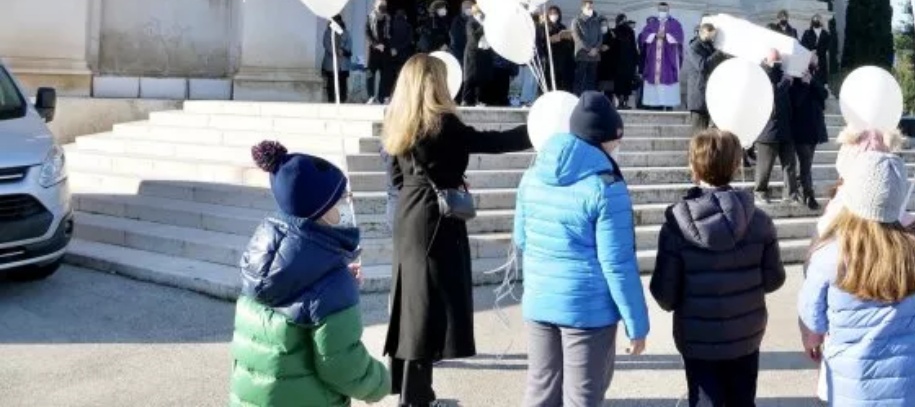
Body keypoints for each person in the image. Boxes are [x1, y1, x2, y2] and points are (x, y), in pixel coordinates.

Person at [381, 55, 532, 406]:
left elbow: (395, 177)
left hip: (408, 212)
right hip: (437, 218)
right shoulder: (442, 123)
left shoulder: (397, 119)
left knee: (409, 300)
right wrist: (535, 129)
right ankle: (415, 397)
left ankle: (411, 388)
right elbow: (492, 142)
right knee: (427, 305)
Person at [798, 131, 915, 406]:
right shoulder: (914, 247)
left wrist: (811, 339)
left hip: (852, 387)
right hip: (911, 386)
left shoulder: (827, 255)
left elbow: (813, 318)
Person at [514, 92, 650, 407]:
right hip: (587, 310)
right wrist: (637, 325)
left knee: (540, 392)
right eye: (616, 140)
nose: (618, 146)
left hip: (539, 300)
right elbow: (617, 264)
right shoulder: (606, 186)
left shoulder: (532, 176)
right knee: (583, 398)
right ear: (604, 140)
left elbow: (521, 240)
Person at [230, 141, 390, 405]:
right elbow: (342, 366)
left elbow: (302, 296)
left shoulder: (260, 253)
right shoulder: (333, 282)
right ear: (321, 211)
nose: (346, 206)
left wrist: (338, 278)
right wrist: (382, 381)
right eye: (341, 200)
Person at [649, 129, 786, 407]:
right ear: (736, 166)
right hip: (745, 334)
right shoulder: (759, 221)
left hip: (698, 338)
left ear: (694, 168)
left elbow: (665, 294)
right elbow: (774, 280)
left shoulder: (676, 226)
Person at [753, 49, 803, 205]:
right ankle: (760, 192)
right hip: (768, 130)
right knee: (765, 165)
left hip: (786, 128)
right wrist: (786, 82)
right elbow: (772, 94)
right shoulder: (760, 75)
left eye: (779, 61)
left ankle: (791, 194)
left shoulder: (782, 74)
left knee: (789, 164)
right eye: (775, 61)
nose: (777, 64)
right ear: (767, 60)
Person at [791, 54, 828, 211]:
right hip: (800, 130)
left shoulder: (816, 78)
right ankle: (809, 195)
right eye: (812, 61)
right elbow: (796, 102)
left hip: (814, 130)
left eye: (816, 61)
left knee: (807, 164)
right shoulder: (796, 78)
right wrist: (806, 85)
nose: (815, 63)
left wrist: (812, 82)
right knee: (806, 163)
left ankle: (801, 184)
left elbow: (824, 95)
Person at [638, 2, 685, 110]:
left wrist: (667, 36)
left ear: (668, 10)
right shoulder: (652, 24)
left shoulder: (675, 23)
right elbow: (643, 36)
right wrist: (654, 35)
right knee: (653, 81)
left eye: (664, 9)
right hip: (653, 59)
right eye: (660, 9)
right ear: (657, 9)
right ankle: (655, 104)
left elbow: (680, 37)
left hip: (668, 59)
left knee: (668, 81)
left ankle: (668, 105)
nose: (662, 12)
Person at [684, 23, 724, 134]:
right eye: (710, 35)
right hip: (698, 96)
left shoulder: (709, 46)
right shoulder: (694, 47)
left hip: (710, 95)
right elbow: (702, 66)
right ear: (703, 32)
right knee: (699, 134)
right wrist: (718, 54)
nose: (712, 38)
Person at [536, 6, 574, 93]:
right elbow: (540, 42)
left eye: (556, 13)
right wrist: (550, 40)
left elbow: (567, 43)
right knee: (548, 79)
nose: (554, 15)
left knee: (559, 80)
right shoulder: (543, 27)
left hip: (561, 59)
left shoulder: (562, 26)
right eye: (551, 13)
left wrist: (568, 38)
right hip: (548, 58)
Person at [571, 0, 604, 94]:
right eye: (588, 8)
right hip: (582, 55)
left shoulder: (596, 21)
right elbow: (577, 37)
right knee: (579, 79)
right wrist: (589, 49)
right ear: (582, 8)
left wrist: (596, 49)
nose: (590, 10)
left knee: (591, 80)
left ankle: (589, 99)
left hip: (594, 56)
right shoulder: (577, 21)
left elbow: (600, 37)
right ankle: (577, 98)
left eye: (591, 8)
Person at [461, 4, 491, 106]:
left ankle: (481, 99)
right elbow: (472, 38)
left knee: (482, 77)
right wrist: (483, 27)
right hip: (472, 54)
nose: (481, 15)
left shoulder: (486, 22)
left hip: (484, 53)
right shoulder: (471, 23)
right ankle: (466, 99)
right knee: (470, 77)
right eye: (479, 13)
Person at [321, 14, 352, 104]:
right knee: (331, 83)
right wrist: (334, 51)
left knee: (342, 83)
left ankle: (342, 100)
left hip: (343, 64)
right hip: (331, 63)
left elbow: (349, 44)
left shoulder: (346, 32)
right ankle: (331, 100)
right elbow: (326, 44)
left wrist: (343, 51)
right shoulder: (327, 32)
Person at [385, 8, 415, 101]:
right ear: (404, 16)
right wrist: (399, 49)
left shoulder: (390, 26)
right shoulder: (408, 26)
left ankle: (389, 96)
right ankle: (402, 97)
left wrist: (392, 48)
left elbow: (387, 38)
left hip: (392, 55)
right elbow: (409, 41)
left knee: (390, 76)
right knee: (402, 75)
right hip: (404, 54)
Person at [366, 0, 392, 104]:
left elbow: (391, 33)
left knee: (385, 75)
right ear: (375, 5)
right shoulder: (370, 17)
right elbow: (367, 33)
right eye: (381, 5)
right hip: (374, 50)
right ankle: (371, 96)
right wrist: (376, 44)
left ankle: (383, 96)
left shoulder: (388, 18)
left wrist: (389, 46)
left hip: (385, 50)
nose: (383, 7)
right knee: (370, 73)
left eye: (384, 5)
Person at [612, 14, 640, 109]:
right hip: (628, 62)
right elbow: (633, 48)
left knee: (620, 83)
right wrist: (636, 61)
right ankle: (624, 103)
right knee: (626, 83)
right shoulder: (630, 31)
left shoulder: (614, 31)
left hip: (618, 62)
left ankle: (620, 103)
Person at [801, 14, 833, 84]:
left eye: (817, 20)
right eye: (814, 20)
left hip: (821, 60)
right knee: (809, 79)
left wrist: (818, 52)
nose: (816, 21)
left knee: (821, 80)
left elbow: (828, 46)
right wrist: (810, 51)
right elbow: (803, 44)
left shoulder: (826, 34)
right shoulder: (807, 33)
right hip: (809, 59)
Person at [597, 17, 619, 103]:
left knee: (608, 88)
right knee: (598, 86)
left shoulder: (611, 35)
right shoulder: (596, 35)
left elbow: (615, 47)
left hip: (610, 65)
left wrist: (609, 45)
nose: (604, 26)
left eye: (605, 24)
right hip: (598, 64)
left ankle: (609, 103)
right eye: (602, 25)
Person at [449, 0, 473, 65]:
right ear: (463, 9)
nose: (470, 9)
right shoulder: (457, 20)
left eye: (471, 7)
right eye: (467, 8)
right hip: (459, 51)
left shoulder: (474, 19)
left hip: (471, 51)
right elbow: (456, 37)